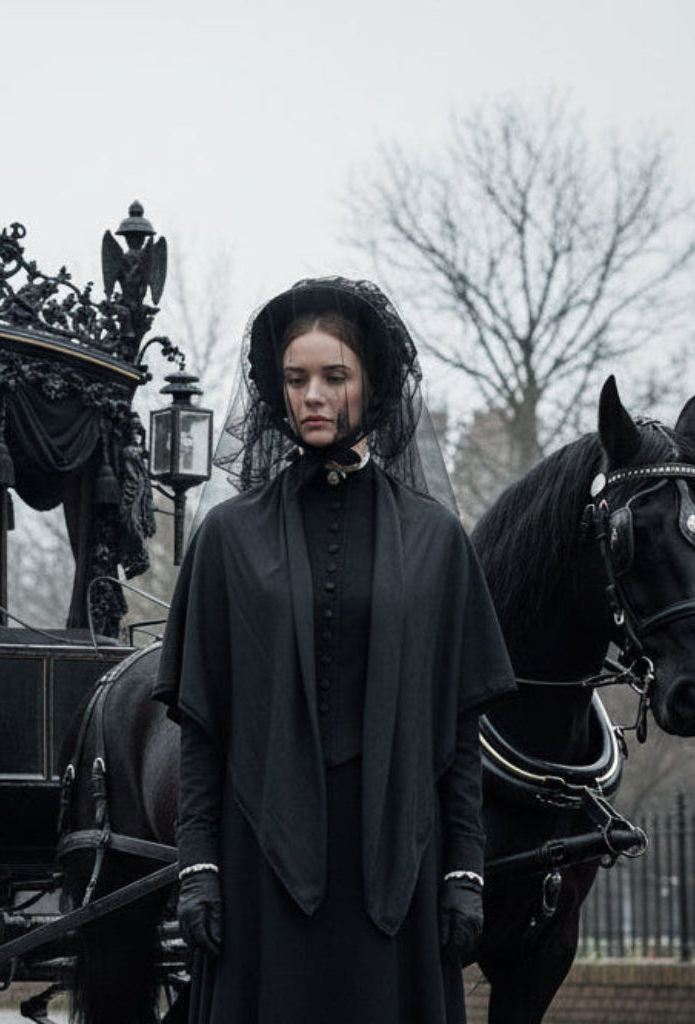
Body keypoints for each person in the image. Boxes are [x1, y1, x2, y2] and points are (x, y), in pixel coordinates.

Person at [154, 277, 515, 1023]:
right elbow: (202, 728)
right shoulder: (227, 538)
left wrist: (464, 872)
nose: (312, 395)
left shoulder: (436, 542)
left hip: (395, 858)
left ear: (372, 386)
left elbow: (460, 733)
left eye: (333, 377)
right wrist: (199, 869)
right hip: (260, 858)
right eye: (296, 380)